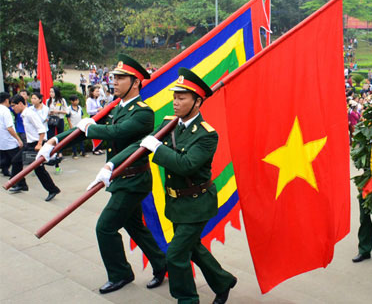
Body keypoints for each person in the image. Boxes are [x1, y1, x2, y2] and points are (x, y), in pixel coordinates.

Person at [97, 68, 237, 304]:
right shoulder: (169, 124)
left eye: (182, 98)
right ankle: (223, 281)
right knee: (192, 248)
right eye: (174, 97)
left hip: (197, 204)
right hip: (176, 203)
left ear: (197, 101)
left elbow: (186, 165)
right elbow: (140, 147)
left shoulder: (206, 135)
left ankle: (187, 299)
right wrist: (112, 165)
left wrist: (157, 148)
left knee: (175, 254)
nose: (175, 102)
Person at [40, 54, 167, 294]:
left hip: (133, 179)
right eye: (114, 77)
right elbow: (83, 128)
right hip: (121, 178)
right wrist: (54, 141)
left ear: (136, 82)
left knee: (105, 227)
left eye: (121, 78)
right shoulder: (116, 107)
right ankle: (162, 264)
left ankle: (121, 274)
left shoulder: (143, 113)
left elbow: (116, 132)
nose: (115, 82)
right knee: (135, 227)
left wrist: (91, 127)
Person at [8, 95, 61, 201]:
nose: (13, 108)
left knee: (38, 169)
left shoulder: (29, 114)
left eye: (14, 106)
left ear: (21, 104)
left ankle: (53, 189)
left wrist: (40, 144)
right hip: (30, 144)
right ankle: (21, 184)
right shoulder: (24, 114)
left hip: (36, 144)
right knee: (16, 161)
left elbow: (41, 129)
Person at [0, 92, 23, 177]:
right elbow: (9, 127)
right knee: (16, 160)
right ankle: (17, 178)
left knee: (5, 157)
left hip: (2, 140)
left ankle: (5, 171)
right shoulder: (6, 111)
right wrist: (18, 139)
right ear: (6, 100)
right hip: (9, 140)